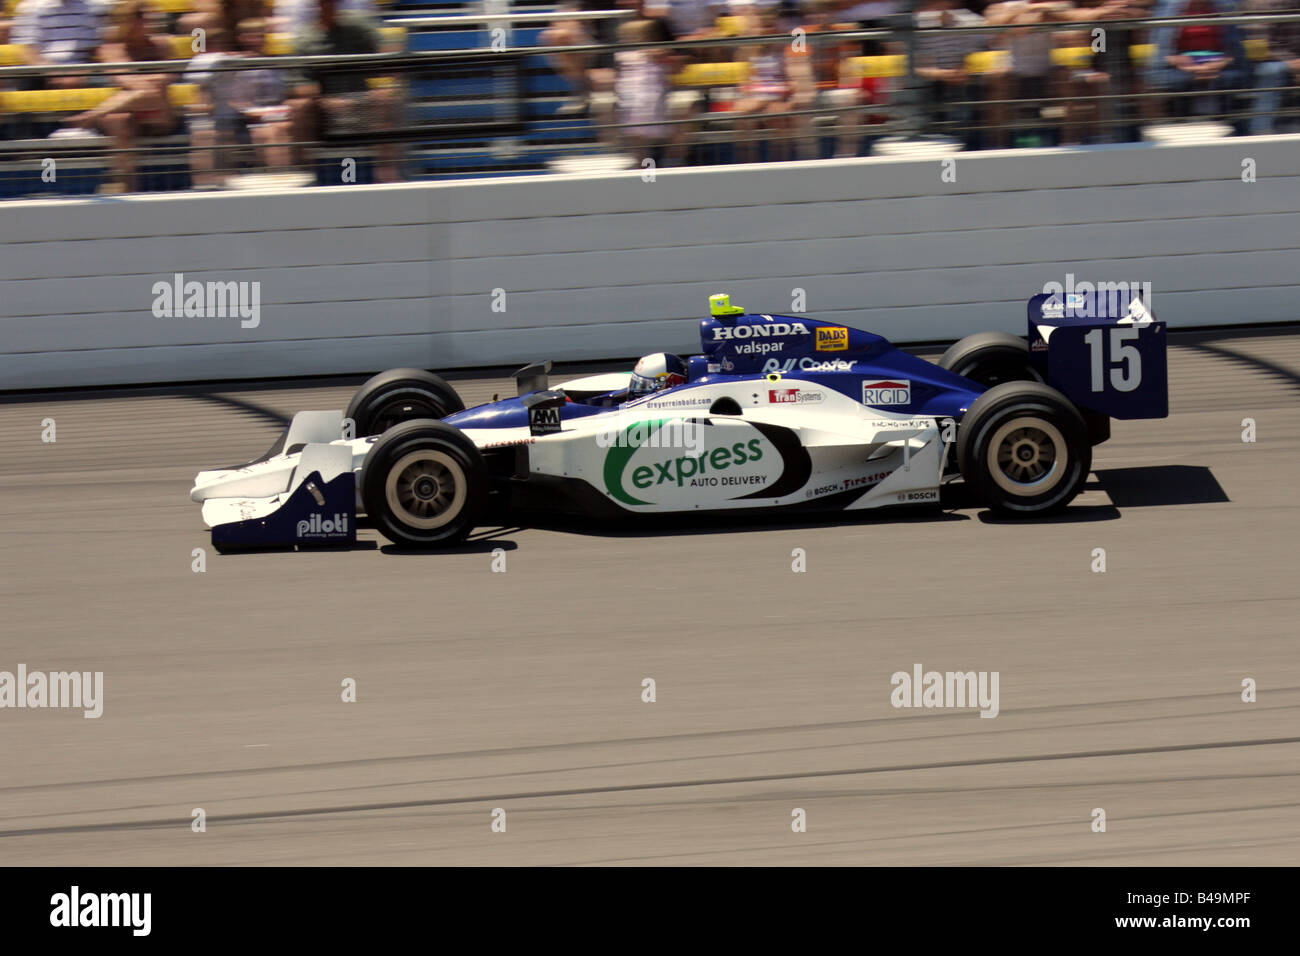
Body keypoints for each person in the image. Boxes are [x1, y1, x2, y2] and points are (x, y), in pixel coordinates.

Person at [70, 0, 175, 193]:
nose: (149, 22)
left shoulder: (162, 45)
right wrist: (148, 83)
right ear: (126, 21)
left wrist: (146, 85)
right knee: (117, 119)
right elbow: (126, 80)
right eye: (141, 18)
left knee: (152, 94)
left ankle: (92, 115)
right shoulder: (110, 49)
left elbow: (165, 78)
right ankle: (129, 186)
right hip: (129, 113)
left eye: (149, 17)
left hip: (160, 113)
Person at [1245, 0, 1300, 134]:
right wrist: (1292, 63)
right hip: (1269, 61)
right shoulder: (1262, 4)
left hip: (1294, 61)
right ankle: (1261, 132)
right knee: (1271, 72)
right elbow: (1257, 48)